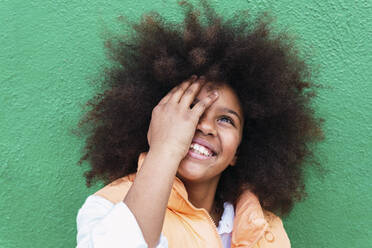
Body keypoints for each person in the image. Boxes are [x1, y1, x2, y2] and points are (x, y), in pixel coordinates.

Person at [75, 1, 323, 247]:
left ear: (238, 150)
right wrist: (164, 149)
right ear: (156, 121)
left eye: (226, 119)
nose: (205, 127)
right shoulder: (109, 206)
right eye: (191, 107)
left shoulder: (264, 229)